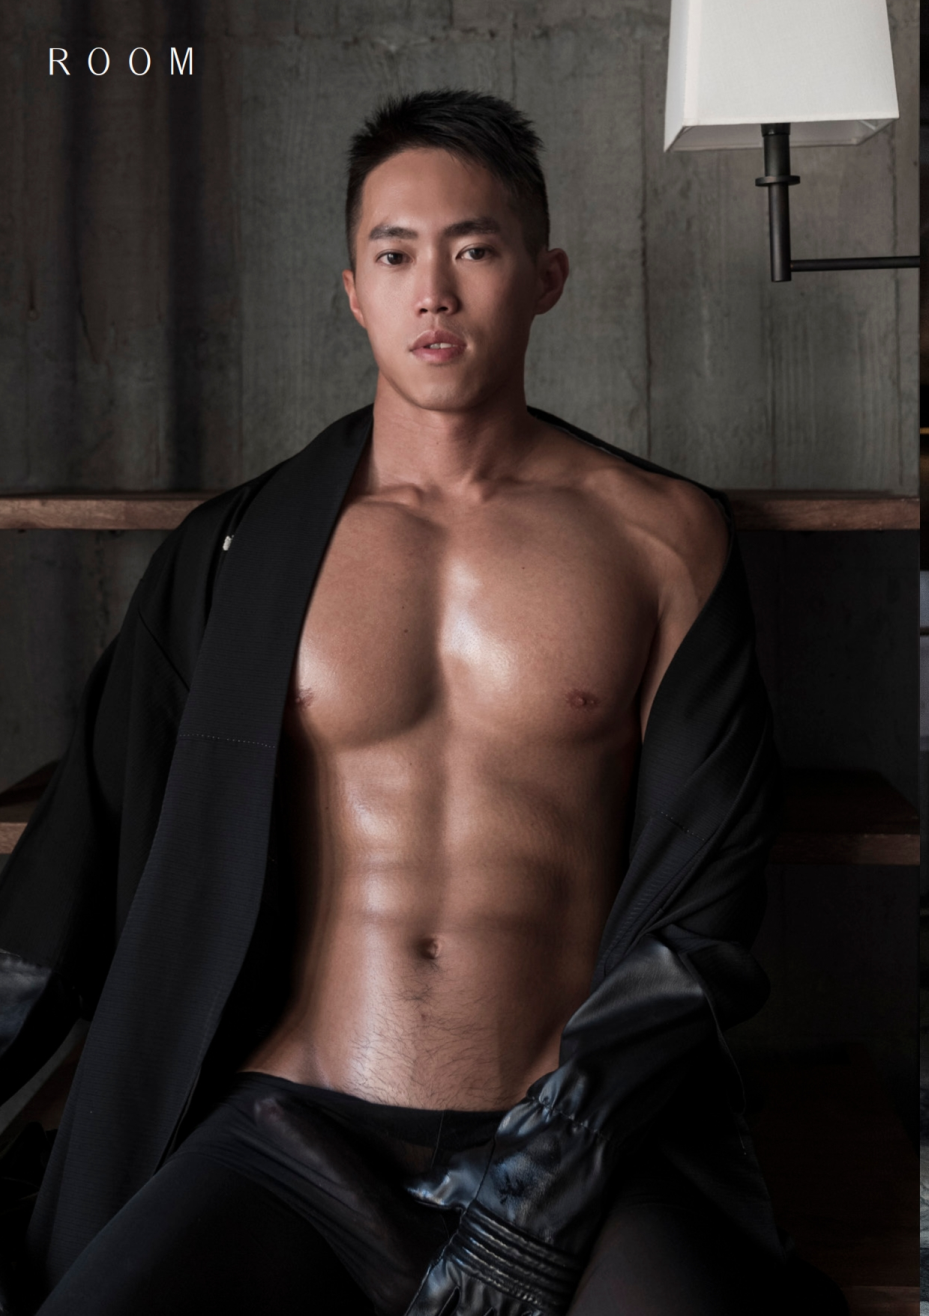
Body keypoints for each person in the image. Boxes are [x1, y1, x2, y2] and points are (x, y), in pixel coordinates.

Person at [0, 89, 846, 1315]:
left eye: (474, 249)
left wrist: (541, 1186)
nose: (432, 292)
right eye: (395, 255)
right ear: (354, 291)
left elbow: (704, 895)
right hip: (291, 1128)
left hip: (568, 1145)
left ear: (545, 276)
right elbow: (79, 851)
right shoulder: (237, 550)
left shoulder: (661, 540)